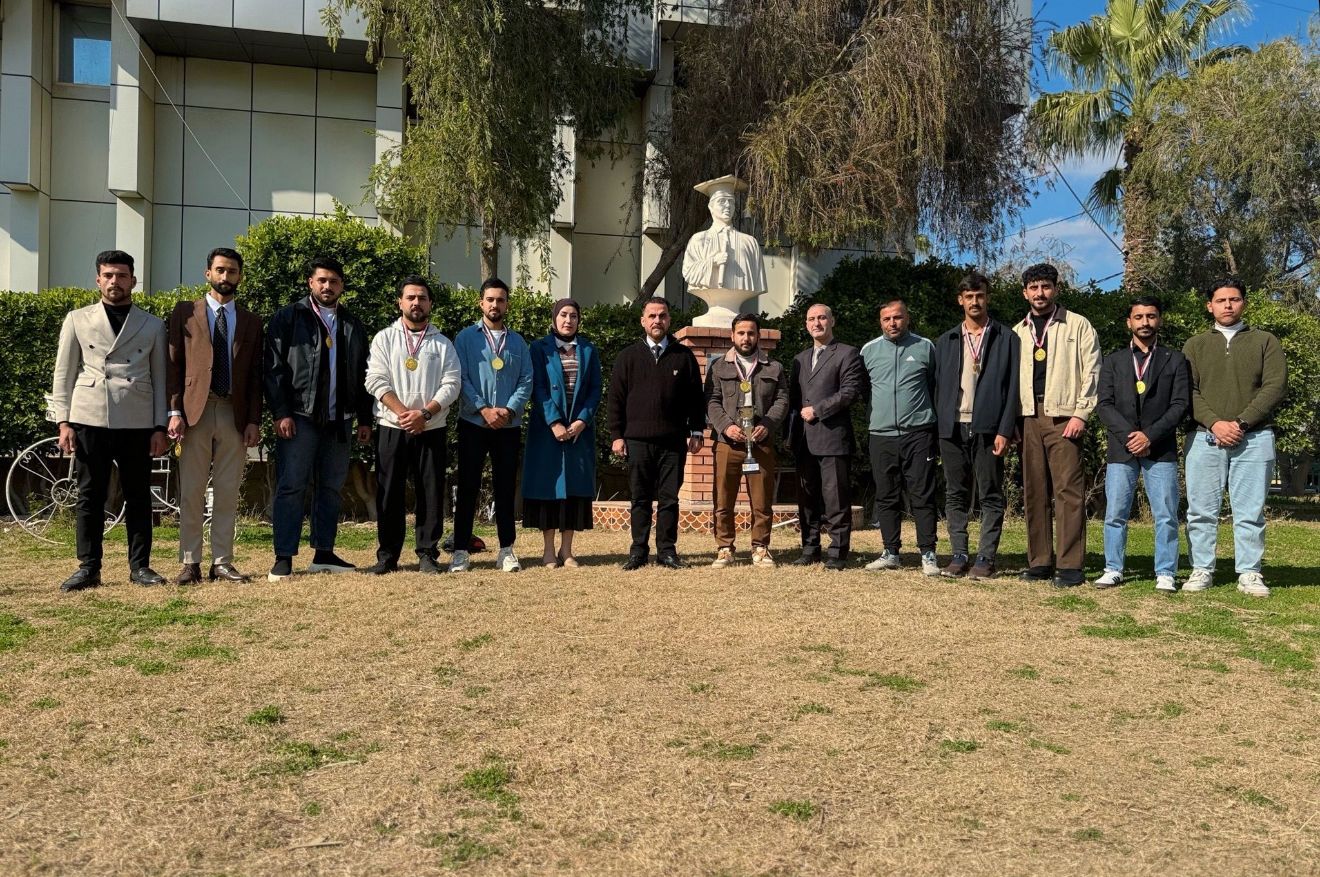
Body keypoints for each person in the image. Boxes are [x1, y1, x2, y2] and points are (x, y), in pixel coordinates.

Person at [50, 250, 170, 591]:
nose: (115, 281)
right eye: (108, 275)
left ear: (133, 280)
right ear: (98, 280)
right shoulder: (77, 319)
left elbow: (160, 379)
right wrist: (63, 421)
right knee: (89, 494)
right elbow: (63, 373)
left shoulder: (153, 324)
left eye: (121, 275)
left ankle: (140, 566)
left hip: (137, 418)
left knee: (138, 494)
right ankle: (88, 566)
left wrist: (159, 426)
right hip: (89, 415)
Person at [264, 256, 373, 582]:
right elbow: (273, 369)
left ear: (342, 286)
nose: (328, 286)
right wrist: (281, 412)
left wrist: (364, 419)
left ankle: (324, 552)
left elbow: (363, 374)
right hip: (299, 417)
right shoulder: (288, 318)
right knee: (292, 486)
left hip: (340, 420)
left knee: (331, 487)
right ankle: (283, 557)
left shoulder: (352, 324)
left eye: (334, 281)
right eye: (322, 280)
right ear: (310, 283)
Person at [1183, 279, 1287, 597]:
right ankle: (1202, 569)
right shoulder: (1195, 345)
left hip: (1255, 438)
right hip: (1204, 437)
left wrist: (1240, 423)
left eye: (1234, 299)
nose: (1228, 305)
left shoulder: (1265, 341)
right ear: (1209, 306)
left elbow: (1275, 386)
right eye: (1221, 300)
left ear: (1244, 303)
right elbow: (1188, 391)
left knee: (1250, 512)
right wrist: (1215, 423)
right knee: (1200, 511)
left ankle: (1250, 573)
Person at [165, 247, 263, 585]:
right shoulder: (185, 313)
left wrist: (253, 420)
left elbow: (255, 375)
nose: (225, 276)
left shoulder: (251, 321)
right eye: (220, 270)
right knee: (191, 491)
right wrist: (174, 410)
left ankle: (222, 562)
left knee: (227, 491)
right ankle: (190, 562)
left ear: (240, 277)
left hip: (234, 412)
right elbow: (173, 364)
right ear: (208, 273)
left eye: (232, 271)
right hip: (196, 410)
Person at [364, 276, 461, 575]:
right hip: (392, 426)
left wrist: (425, 414)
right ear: (400, 302)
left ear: (430, 304)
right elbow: (375, 380)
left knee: (430, 492)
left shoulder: (443, 344)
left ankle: (427, 553)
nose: (416, 303)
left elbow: (452, 384)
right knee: (389, 492)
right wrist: (406, 414)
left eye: (422, 298)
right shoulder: (384, 338)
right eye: (410, 297)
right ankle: (388, 555)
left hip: (431, 428)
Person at [1012, 263, 1100, 589]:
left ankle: (1070, 565)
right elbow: (1009, 381)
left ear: (1056, 289)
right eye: (1034, 288)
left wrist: (1081, 414)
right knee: (1034, 490)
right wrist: (1012, 422)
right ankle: (1039, 562)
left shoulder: (1078, 324)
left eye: (1046, 287)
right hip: (1028, 416)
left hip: (1064, 416)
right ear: (1025, 293)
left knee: (1068, 492)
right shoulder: (1018, 331)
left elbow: (1092, 371)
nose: (1040, 293)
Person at [1094, 296, 1190, 593]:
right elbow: (1104, 405)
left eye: (1150, 316)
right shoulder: (1113, 361)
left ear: (1159, 320)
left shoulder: (1175, 359)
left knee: (1166, 514)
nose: (1145, 322)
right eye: (1139, 317)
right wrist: (1131, 437)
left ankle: (1166, 571)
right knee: (1115, 513)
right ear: (1129, 322)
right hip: (1122, 448)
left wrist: (1149, 435)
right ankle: (1113, 568)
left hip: (1160, 448)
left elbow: (1180, 404)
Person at [607, 296, 705, 570]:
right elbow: (616, 399)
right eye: (652, 316)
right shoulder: (627, 357)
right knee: (639, 498)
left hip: (673, 441)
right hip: (637, 440)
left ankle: (667, 551)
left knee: (669, 499)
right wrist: (617, 435)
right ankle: (638, 551)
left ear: (669, 320)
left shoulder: (684, 356)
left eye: (662, 315)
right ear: (643, 321)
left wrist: (697, 430)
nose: (657, 320)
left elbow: (696, 398)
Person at [933, 273, 1019, 580]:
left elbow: (1013, 388)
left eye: (979, 295)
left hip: (988, 428)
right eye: (968, 297)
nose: (974, 301)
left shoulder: (1006, 338)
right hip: (952, 427)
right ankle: (959, 555)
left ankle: (985, 558)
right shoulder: (946, 341)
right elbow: (937, 387)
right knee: (955, 493)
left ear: (987, 298)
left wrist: (1005, 430)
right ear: (960, 300)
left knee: (990, 494)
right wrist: (940, 426)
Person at [451, 278, 533, 573]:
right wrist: (484, 409)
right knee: (468, 487)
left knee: (505, 488)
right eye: (490, 299)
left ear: (507, 305)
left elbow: (526, 379)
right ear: (481, 303)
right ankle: (460, 550)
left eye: (500, 300)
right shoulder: (465, 338)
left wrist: (508, 410)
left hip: (507, 426)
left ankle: (506, 550)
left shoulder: (518, 342)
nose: (495, 305)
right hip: (473, 423)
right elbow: (460, 378)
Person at [861, 300, 940, 576]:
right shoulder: (868, 351)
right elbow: (864, 391)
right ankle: (891, 552)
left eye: (897, 317)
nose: (892, 323)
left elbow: (934, 386)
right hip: (881, 435)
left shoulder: (925, 347)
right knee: (886, 495)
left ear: (907, 318)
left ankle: (928, 553)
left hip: (918, 433)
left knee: (922, 494)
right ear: (880, 322)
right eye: (886, 319)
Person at [522, 299, 602, 567]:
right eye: (564, 315)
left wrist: (582, 420)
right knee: (549, 489)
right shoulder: (538, 348)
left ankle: (566, 550)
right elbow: (537, 388)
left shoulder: (588, 349)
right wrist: (554, 421)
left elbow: (595, 389)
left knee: (573, 492)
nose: (568, 320)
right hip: (548, 432)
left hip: (578, 433)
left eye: (574, 316)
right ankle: (548, 550)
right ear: (554, 318)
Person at [706, 313, 790, 568]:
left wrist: (768, 425)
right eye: (741, 333)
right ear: (732, 335)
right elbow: (711, 401)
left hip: (760, 442)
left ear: (758, 336)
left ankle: (760, 548)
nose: (746, 338)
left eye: (751, 333)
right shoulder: (718, 367)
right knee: (723, 499)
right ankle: (724, 548)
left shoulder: (774, 368)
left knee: (762, 500)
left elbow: (782, 400)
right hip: (728, 443)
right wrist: (726, 427)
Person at [787, 303, 867, 570]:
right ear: (806, 324)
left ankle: (837, 551)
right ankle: (810, 548)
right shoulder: (799, 359)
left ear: (832, 321)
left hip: (833, 438)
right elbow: (794, 400)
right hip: (804, 440)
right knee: (807, 498)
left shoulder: (847, 353)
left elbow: (850, 391)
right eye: (811, 319)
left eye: (822, 318)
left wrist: (818, 410)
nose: (816, 323)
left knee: (836, 498)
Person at [680, 175, 768, 294]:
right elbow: (688, 272)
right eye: (721, 201)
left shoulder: (750, 242)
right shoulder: (698, 240)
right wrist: (713, 262)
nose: (727, 205)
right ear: (711, 207)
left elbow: (758, 278)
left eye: (731, 201)